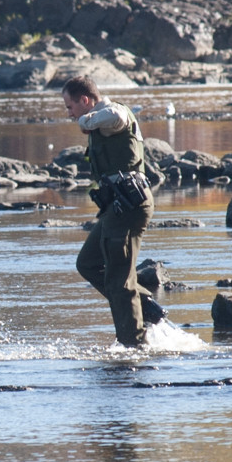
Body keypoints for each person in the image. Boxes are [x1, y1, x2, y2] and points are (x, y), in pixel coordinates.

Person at [62, 76, 166, 348]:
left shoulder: (111, 114)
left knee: (119, 280)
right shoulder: (98, 122)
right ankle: (145, 305)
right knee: (87, 263)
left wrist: (86, 121)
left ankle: (133, 344)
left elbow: (117, 114)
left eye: (70, 106)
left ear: (85, 101)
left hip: (130, 206)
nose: (69, 113)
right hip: (116, 209)